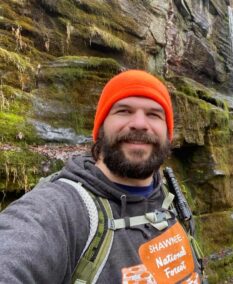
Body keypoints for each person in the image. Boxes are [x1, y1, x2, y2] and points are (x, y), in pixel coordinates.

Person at [0, 70, 203, 283]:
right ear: (100, 129)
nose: (140, 123)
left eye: (154, 114)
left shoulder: (169, 196)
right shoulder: (60, 209)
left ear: (168, 133)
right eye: (124, 111)